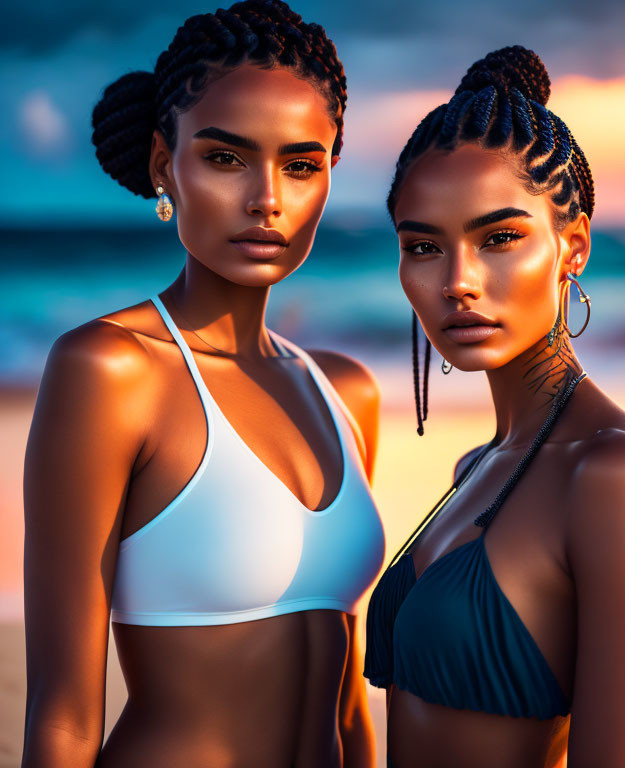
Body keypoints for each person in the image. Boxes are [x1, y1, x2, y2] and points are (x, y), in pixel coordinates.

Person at [22, 2, 385, 766]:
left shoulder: (345, 393)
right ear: (164, 165)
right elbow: (61, 714)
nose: (267, 200)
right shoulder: (111, 371)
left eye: (300, 164)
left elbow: (348, 703)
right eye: (226, 159)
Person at [364, 46, 625, 768]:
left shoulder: (618, 479)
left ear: (571, 245)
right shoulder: (478, 464)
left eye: (499, 238)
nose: (459, 282)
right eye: (423, 246)